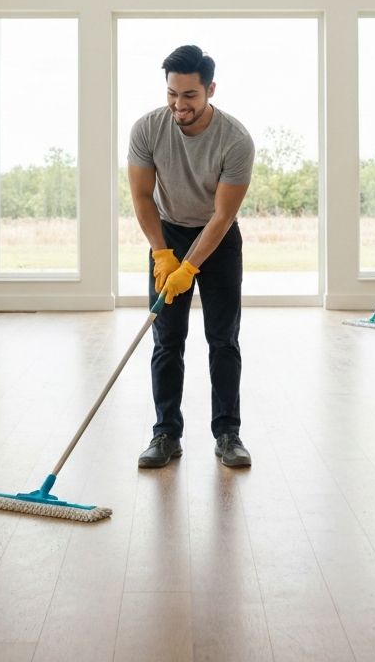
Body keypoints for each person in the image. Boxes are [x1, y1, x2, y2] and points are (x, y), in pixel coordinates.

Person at [127, 45, 255, 468]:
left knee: (223, 339)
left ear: (210, 90)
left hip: (217, 241)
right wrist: (163, 254)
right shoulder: (146, 129)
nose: (179, 105)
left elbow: (222, 215)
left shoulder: (235, 140)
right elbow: (143, 198)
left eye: (190, 96)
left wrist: (191, 266)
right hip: (167, 235)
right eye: (172, 94)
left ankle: (228, 434)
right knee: (166, 339)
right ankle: (165, 434)